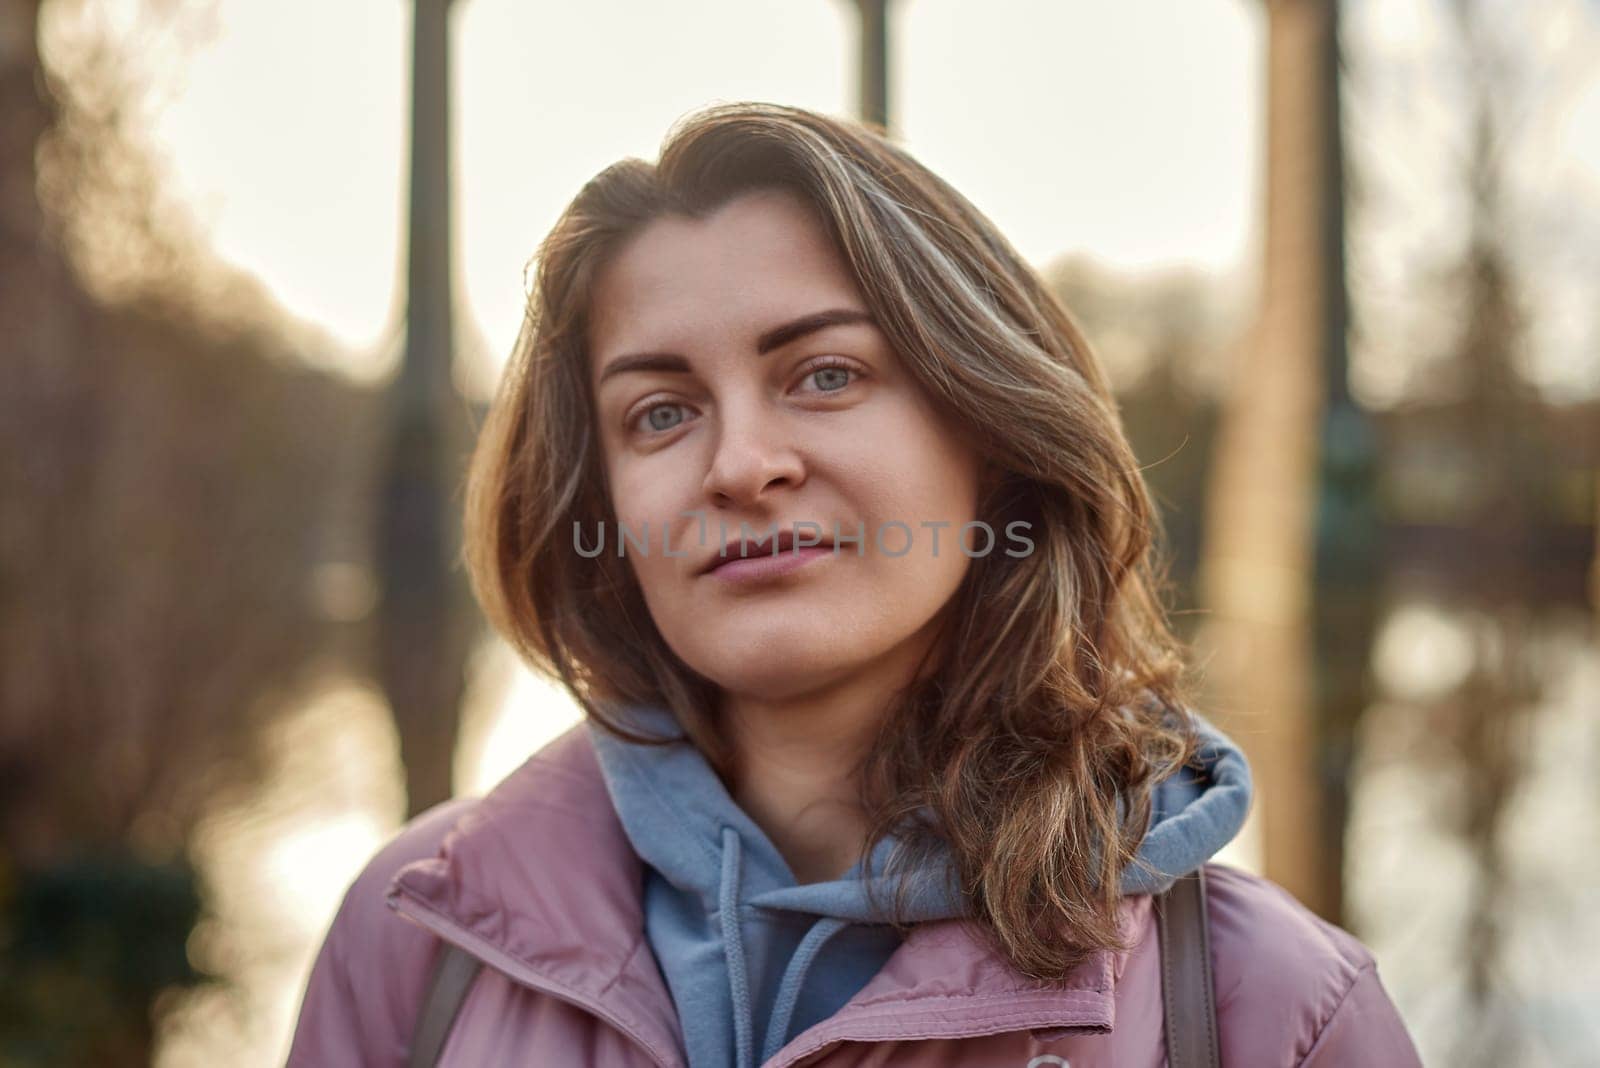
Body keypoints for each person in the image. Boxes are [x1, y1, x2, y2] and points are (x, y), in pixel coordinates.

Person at [286, 101, 1423, 1067]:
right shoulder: (416, 939)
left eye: (825, 374)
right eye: (661, 413)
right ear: (604, 510)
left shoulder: (1272, 1014)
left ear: (994, 437)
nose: (739, 465)